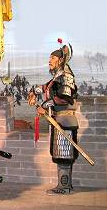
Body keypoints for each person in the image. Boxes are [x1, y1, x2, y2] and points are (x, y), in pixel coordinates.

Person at [28, 42, 78, 195]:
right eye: (49, 57)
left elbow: (65, 98)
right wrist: (33, 91)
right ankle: (64, 185)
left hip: (65, 122)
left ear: (61, 60)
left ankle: (64, 187)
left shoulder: (66, 76)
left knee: (64, 154)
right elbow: (46, 87)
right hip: (59, 121)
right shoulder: (58, 76)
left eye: (52, 58)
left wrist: (44, 105)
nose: (49, 61)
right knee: (59, 153)